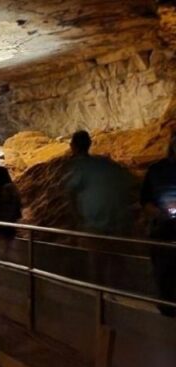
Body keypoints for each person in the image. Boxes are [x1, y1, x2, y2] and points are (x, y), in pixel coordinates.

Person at [65, 130, 136, 284]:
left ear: (73, 146)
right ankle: (115, 292)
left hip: (96, 221)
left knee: (97, 261)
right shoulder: (106, 163)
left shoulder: (80, 166)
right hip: (119, 219)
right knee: (116, 258)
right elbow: (129, 183)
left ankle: (100, 297)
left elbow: (69, 192)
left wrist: (78, 220)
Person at [140, 132, 176, 316]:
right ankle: (167, 311)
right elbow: (145, 199)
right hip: (162, 228)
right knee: (164, 273)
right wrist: (157, 212)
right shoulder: (156, 170)